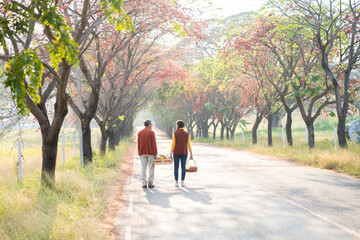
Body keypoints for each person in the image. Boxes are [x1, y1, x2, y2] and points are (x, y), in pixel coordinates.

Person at [170, 120, 193, 187]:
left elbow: (173, 144)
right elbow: (189, 144)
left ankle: (176, 182)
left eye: (176, 124)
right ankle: (182, 182)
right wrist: (191, 153)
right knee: (183, 167)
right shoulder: (187, 134)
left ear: (178, 125)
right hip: (184, 152)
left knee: (176, 167)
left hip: (176, 152)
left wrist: (171, 153)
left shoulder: (175, 133)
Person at [137, 120, 158, 188]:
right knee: (151, 167)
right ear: (149, 124)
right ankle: (150, 182)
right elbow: (154, 143)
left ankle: (144, 183)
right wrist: (155, 153)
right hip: (150, 152)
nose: (151, 126)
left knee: (143, 167)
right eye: (151, 124)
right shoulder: (152, 132)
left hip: (142, 152)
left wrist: (139, 152)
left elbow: (139, 144)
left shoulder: (140, 133)